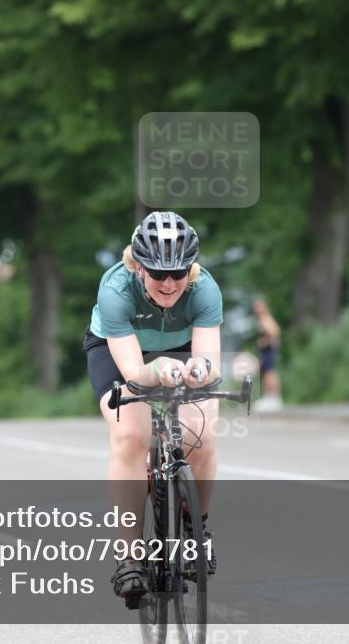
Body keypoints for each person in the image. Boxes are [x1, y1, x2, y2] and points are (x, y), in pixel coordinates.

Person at [83, 211, 222, 600]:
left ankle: (195, 528)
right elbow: (132, 373)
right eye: (158, 273)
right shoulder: (115, 290)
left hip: (177, 349)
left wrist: (199, 370)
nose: (169, 283)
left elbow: (210, 363)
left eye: (178, 272)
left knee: (204, 435)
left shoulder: (205, 289)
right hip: (123, 353)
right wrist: (157, 368)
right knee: (131, 435)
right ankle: (129, 555)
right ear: (137, 265)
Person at [252, 298, 283, 411]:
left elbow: (274, 333)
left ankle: (275, 398)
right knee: (265, 374)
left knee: (271, 373)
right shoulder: (261, 320)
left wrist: (264, 342)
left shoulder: (266, 319)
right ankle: (268, 397)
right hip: (264, 351)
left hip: (269, 350)